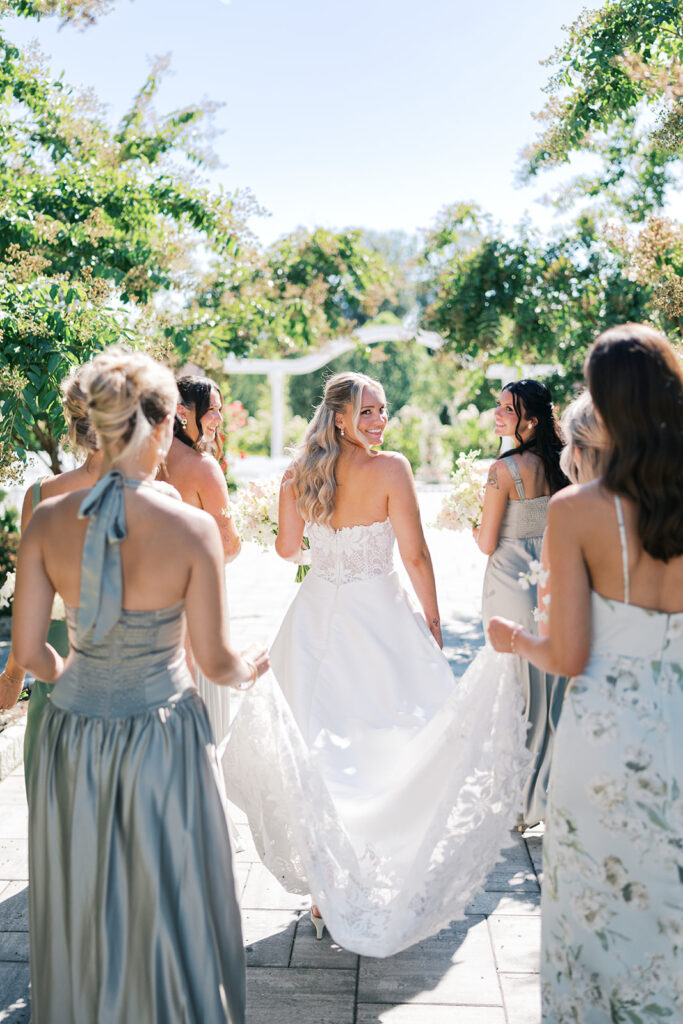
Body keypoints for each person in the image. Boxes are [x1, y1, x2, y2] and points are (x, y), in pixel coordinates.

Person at [223, 371, 531, 958]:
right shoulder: (391, 469)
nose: (378, 421)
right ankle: (364, 871)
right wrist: (433, 621)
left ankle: (326, 889)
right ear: (338, 416)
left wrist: (313, 528)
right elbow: (414, 552)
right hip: (380, 619)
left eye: (382, 411)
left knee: (319, 748)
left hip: (314, 616)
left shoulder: (297, 474)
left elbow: (289, 550)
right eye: (366, 411)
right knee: (383, 742)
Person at [13, 348, 268, 1024]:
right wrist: (252, 666)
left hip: (70, 732)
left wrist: (72, 679)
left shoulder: (44, 521)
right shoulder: (191, 528)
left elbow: (32, 650)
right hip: (158, 733)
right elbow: (214, 663)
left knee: (82, 896)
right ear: (160, 425)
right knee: (164, 899)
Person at [489, 324, 683, 1022]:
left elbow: (566, 656)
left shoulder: (578, 511)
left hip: (605, 735)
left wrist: (514, 639)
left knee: (596, 913)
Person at [0, 365, 104, 783]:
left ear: (72, 422)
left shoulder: (41, 495)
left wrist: (11, 678)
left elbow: (32, 599)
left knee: (58, 816)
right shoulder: (158, 494)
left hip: (58, 663)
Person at [476, 379, 569, 827]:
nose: (498, 414)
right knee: (550, 688)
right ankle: (549, 793)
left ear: (530, 419)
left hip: (511, 580)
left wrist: (473, 518)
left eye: (507, 410)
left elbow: (485, 540)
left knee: (515, 690)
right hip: (552, 577)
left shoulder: (503, 470)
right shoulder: (565, 464)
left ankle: (517, 802)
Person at [162, 374, 241, 749]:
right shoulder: (203, 468)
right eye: (212, 411)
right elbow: (227, 546)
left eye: (221, 411)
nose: (219, 419)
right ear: (181, 412)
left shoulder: (145, 461)